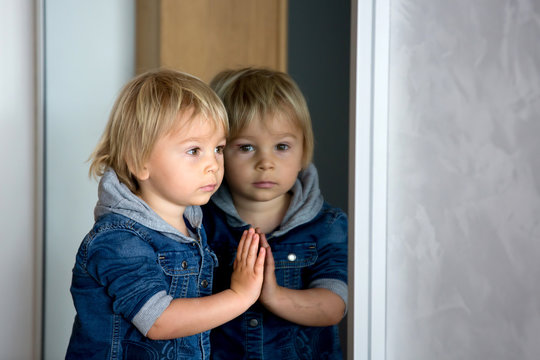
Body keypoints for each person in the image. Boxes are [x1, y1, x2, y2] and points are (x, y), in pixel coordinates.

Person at [66, 69, 266, 360]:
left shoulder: (192, 224)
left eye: (218, 148)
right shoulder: (119, 239)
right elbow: (159, 320)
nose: (212, 164)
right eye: (194, 150)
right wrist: (240, 296)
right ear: (139, 161)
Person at [202, 67, 348, 359]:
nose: (265, 162)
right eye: (246, 147)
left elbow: (334, 305)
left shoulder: (327, 225)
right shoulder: (198, 221)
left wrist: (272, 295)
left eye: (281, 146)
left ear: (303, 151)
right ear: (218, 152)